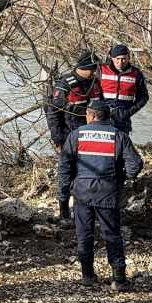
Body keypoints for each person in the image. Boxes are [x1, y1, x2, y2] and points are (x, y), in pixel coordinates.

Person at [56, 100, 144, 290]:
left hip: (82, 193)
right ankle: (119, 279)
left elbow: (64, 168)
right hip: (108, 193)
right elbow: (135, 164)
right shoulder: (118, 136)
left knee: (84, 235)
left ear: (91, 115)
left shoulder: (76, 135)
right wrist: (120, 178)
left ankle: (87, 276)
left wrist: (63, 198)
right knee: (112, 235)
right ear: (107, 116)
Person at [47, 51, 102, 220]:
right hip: (69, 136)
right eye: (92, 69)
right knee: (66, 173)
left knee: (90, 173)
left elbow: (102, 109)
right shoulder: (64, 85)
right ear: (82, 67)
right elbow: (53, 113)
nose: (94, 72)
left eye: (95, 69)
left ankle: (87, 208)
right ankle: (64, 211)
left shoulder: (94, 83)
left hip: (92, 136)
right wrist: (58, 139)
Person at [98, 44, 149, 134]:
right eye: (117, 59)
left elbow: (143, 97)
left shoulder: (136, 73)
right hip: (102, 115)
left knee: (121, 144)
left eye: (124, 59)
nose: (120, 62)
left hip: (122, 117)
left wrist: (129, 112)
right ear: (112, 58)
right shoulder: (101, 70)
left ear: (129, 58)